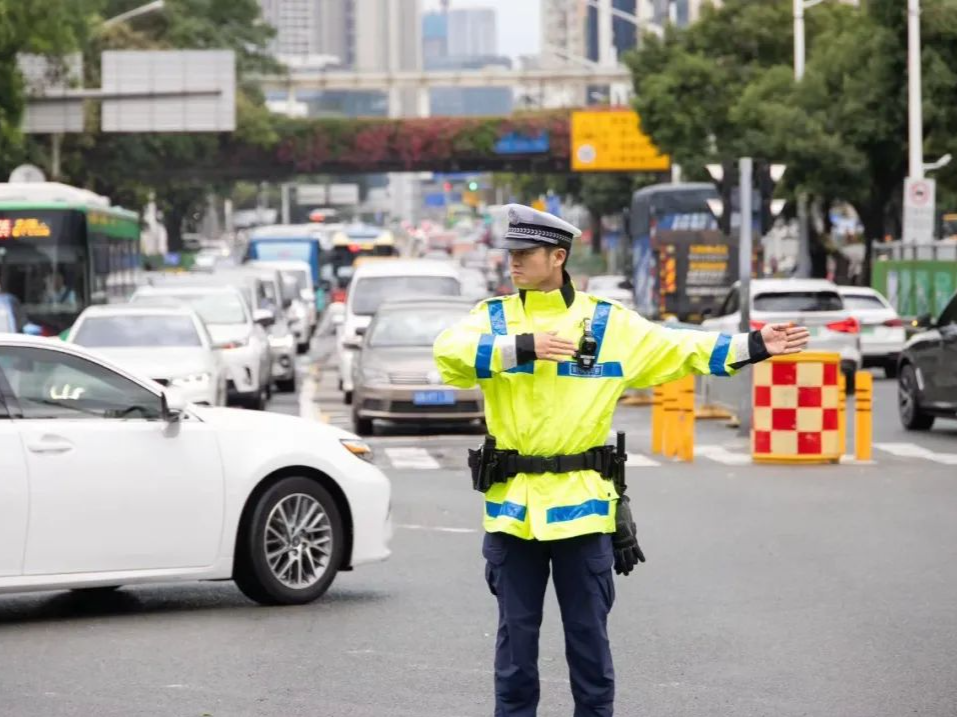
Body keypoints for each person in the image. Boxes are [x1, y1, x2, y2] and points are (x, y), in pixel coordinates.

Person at [433, 204, 810, 717]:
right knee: (515, 653)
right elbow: (447, 355)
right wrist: (523, 346)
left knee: (589, 648)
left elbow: (680, 347)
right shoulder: (494, 319)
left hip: (584, 512)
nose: (513, 263)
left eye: (524, 254)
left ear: (558, 257)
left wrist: (754, 345)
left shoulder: (607, 323)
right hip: (512, 514)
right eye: (511, 254)